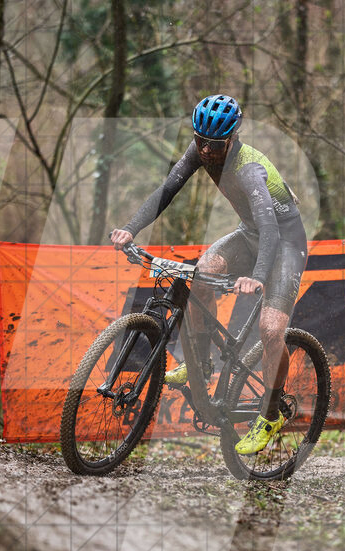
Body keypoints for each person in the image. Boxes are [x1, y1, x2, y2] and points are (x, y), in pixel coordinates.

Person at [110, 94, 307, 455]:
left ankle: (271, 413)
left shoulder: (248, 168)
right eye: (199, 141)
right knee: (199, 276)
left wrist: (258, 276)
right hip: (250, 234)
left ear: (231, 139)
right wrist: (130, 228)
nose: (204, 151)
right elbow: (167, 190)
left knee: (270, 330)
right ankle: (201, 364)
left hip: (285, 244)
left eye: (213, 145)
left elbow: (271, 228)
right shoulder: (199, 149)